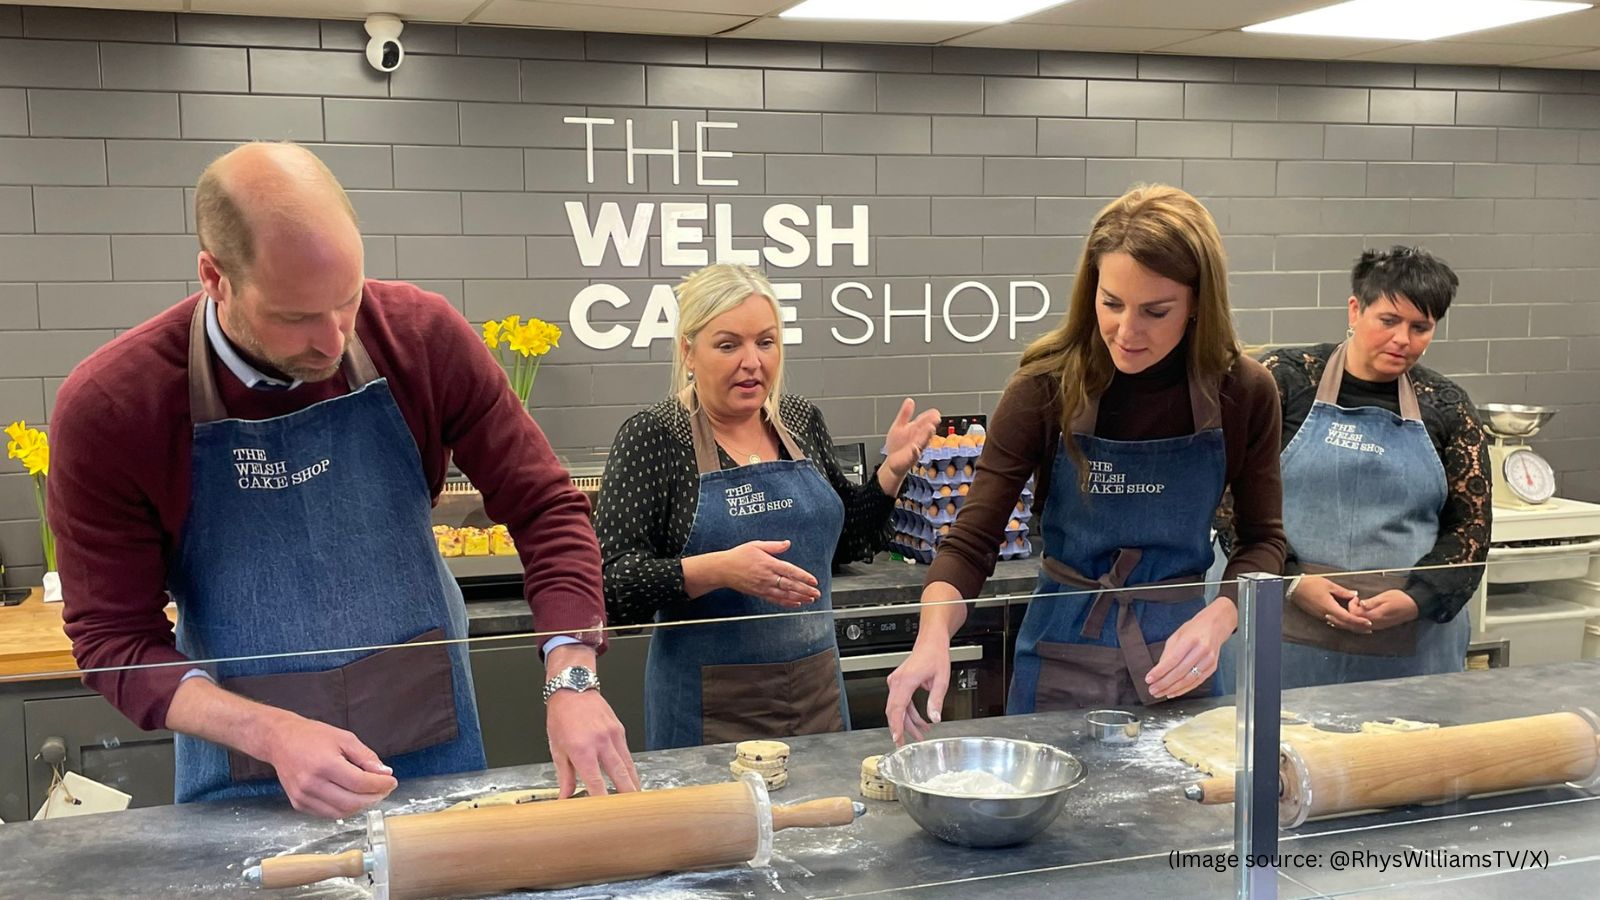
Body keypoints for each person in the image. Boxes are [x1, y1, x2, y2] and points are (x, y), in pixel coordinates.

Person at [49, 141, 638, 817]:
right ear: (215, 278)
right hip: (247, 767)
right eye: (296, 317)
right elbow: (113, 642)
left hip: (431, 745)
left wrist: (572, 678)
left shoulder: (419, 339)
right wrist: (268, 731)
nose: (332, 343)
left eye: (348, 301)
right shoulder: (116, 406)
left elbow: (546, 507)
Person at [884, 184, 1286, 744]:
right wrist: (932, 640)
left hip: (1181, 655)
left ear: (1198, 303)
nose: (1127, 331)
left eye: (1155, 311)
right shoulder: (1045, 386)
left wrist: (1221, 618)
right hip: (1061, 649)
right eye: (1111, 303)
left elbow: (1265, 541)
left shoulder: (1244, 391)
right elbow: (971, 543)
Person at [594, 262, 939, 750]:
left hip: (818, 693)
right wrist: (719, 569)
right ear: (688, 351)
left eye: (766, 341)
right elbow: (609, 585)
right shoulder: (655, 436)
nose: (752, 361)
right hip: (708, 712)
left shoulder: (799, 419)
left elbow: (845, 544)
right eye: (728, 344)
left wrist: (891, 472)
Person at [1246, 246, 1490, 686]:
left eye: (1421, 327)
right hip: (1279, 625)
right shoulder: (1283, 380)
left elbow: (1471, 529)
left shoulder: (1448, 405)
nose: (1403, 340)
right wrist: (1294, 581)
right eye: (1389, 321)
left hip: (1409, 644)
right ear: (1356, 309)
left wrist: (1417, 599)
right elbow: (1230, 498)